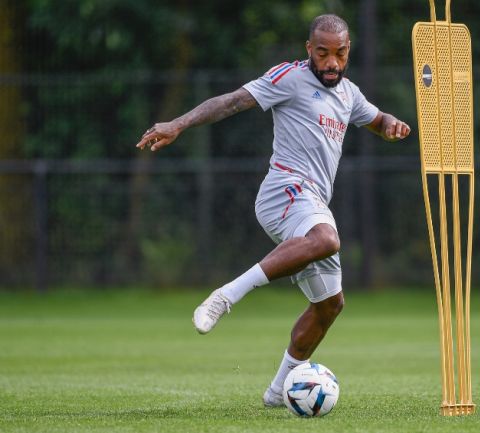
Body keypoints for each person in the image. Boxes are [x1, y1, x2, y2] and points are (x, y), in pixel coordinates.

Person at [135, 14, 410, 407]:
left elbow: (377, 120)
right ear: (308, 51)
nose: (332, 62)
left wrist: (393, 125)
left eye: (340, 53)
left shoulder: (349, 94)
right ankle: (226, 296)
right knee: (327, 239)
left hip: (311, 201)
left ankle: (278, 391)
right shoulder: (290, 78)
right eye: (323, 53)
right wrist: (178, 123)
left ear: (349, 52)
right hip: (284, 191)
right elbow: (231, 101)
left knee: (330, 304)